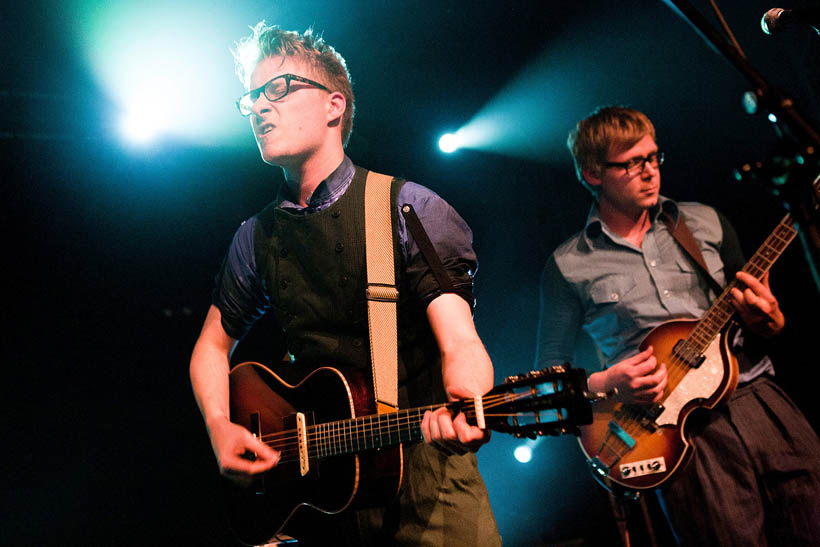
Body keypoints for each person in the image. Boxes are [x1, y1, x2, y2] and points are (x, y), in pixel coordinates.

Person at [188, 22, 501, 546]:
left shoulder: (407, 207)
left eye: (279, 89)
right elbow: (211, 348)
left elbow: (461, 338)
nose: (260, 108)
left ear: (334, 105)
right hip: (324, 507)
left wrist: (468, 400)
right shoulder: (256, 235)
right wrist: (220, 425)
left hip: (428, 493)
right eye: (251, 99)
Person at [535, 105, 820, 546]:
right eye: (632, 163)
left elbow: (763, 316)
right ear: (593, 174)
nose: (649, 172)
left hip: (759, 398)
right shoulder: (569, 265)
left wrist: (771, 318)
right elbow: (547, 378)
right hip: (678, 435)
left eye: (653, 158)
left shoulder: (703, 221)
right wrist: (608, 382)